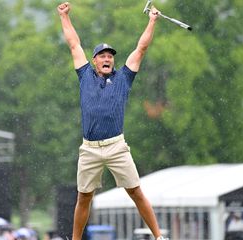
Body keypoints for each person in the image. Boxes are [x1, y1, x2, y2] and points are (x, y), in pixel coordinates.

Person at [57, 2, 167, 240]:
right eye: (102, 56)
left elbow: (141, 49)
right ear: (94, 60)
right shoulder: (84, 74)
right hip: (90, 148)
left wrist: (152, 21)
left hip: (117, 146)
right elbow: (74, 43)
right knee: (83, 197)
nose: (107, 59)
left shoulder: (123, 78)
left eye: (110, 56)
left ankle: (158, 237)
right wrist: (64, 17)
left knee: (136, 192)